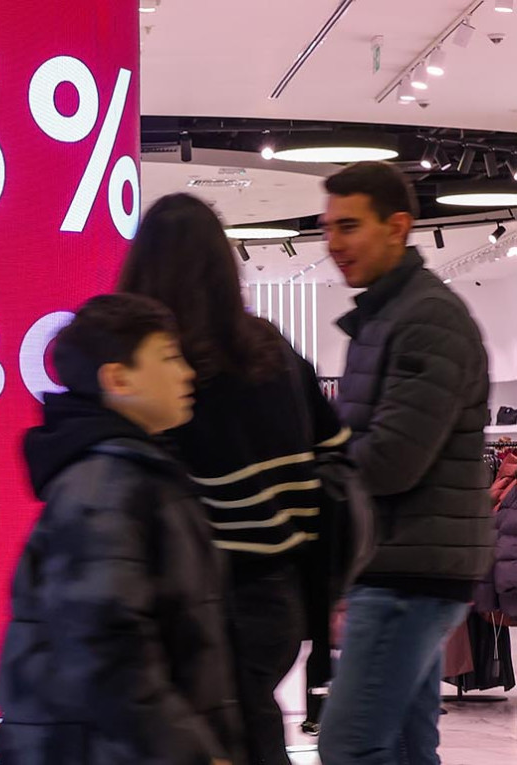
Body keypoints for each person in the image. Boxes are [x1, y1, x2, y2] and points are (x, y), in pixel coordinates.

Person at [117, 193, 346, 764]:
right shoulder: (271, 348)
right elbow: (336, 453)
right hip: (280, 598)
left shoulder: (163, 368)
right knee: (250, 728)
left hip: (198, 603)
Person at [0, 293, 239, 765]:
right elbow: (105, 645)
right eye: (168, 358)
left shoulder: (133, 473)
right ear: (118, 378)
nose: (186, 373)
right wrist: (187, 751)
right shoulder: (104, 487)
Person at [317, 161, 493, 765]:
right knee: (404, 746)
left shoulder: (427, 319)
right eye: (328, 228)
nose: (334, 243)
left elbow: (393, 459)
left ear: (396, 227)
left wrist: (317, 463)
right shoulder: (387, 318)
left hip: (408, 573)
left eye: (348, 226)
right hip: (404, 566)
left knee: (350, 745)